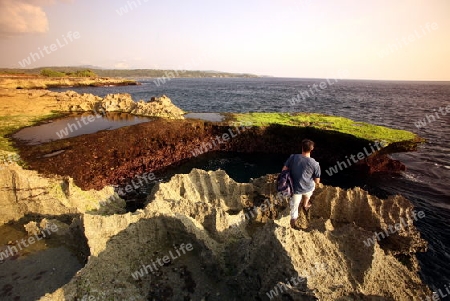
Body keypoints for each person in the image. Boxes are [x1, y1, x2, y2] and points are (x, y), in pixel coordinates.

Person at [282, 139, 321, 229]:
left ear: (302, 147)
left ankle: (293, 224)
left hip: (295, 189)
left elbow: (284, 170)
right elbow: (317, 180)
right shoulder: (315, 164)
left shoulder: (293, 157)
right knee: (310, 190)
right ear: (312, 149)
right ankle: (305, 204)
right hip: (308, 188)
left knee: (294, 207)